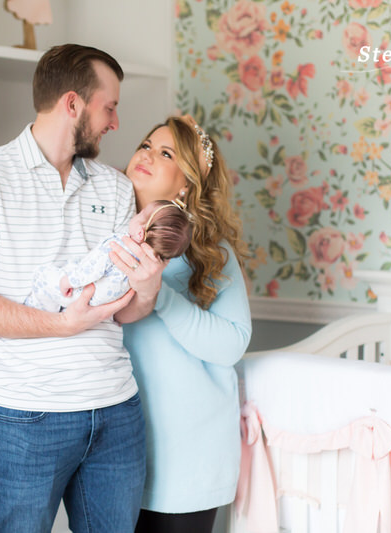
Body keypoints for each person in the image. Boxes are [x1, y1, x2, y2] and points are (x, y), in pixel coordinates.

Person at [0, 44, 166, 533]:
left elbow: (126, 312)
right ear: (73, 104)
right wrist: (62, 325)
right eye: (110, 106)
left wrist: (146, 289)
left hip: (116, 414)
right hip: (23, 420)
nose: (117, 123)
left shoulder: (115, 187)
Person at [116, 115, 253, 533]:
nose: (146, 154)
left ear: (186, 184)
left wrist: (159, 295)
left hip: (190, 459)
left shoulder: (210, 255)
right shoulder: (107, 237)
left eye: (166, 153)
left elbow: (232, 344)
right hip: (116, 451)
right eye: (145, 143)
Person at [26, 199, 192, 310]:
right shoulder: (143, 268)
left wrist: (69, 280)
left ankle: (34, 305)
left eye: (140, 214)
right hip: (97, 305)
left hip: (77, 293)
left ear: (140, 233)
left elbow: (92, 267)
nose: (135, 215)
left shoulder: (119, 244)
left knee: (43, 275)